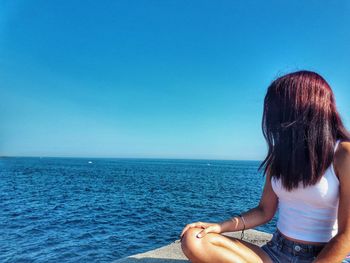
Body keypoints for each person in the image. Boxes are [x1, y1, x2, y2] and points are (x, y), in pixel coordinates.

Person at [180, 70, 350, 263]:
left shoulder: (343, 153)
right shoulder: (281, 155)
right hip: (276, 251)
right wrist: (220, 226)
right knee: (194, 239)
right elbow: (264, 210)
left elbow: (347, 236)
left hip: (325, 256)